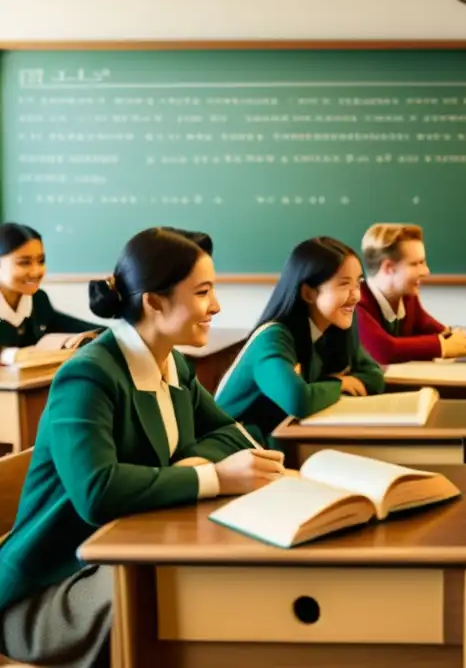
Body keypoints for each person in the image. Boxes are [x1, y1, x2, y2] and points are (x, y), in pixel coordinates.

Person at [0, 227, 284, 668]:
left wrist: (188, 464)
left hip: (127, 548)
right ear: (153, 301)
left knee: (215, 585)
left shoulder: (173, 364)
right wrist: (211, 475)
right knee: (186, 596)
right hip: (53, 586)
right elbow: (99, 492)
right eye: (203, 291)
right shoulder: (89, 376)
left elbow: (233, 434)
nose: (217, 306)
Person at [216, 236, 385, 445]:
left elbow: (374, 376)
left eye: (358, 283)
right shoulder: (273, 337)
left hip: (279, 442)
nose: (356, 296)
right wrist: (340, 383)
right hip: (232, 448)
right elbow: (298, 400)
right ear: (308, 293)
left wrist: (326, 388)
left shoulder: (336, 327)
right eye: (344, 284)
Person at [356, 223, 466, 364]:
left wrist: (451, 335)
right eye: (416, 264)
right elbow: (384, 351)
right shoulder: (355, 303)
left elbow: (430, 328)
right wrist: (442, 346)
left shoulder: (407, 298)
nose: (426, 271)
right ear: (388, 268)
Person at [0, 223, 103, 360]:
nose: (36, 271)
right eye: (24, 262)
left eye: (41, 261)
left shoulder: (38, 300)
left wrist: (112, 334)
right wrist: (9, 355)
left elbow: (73, 326)